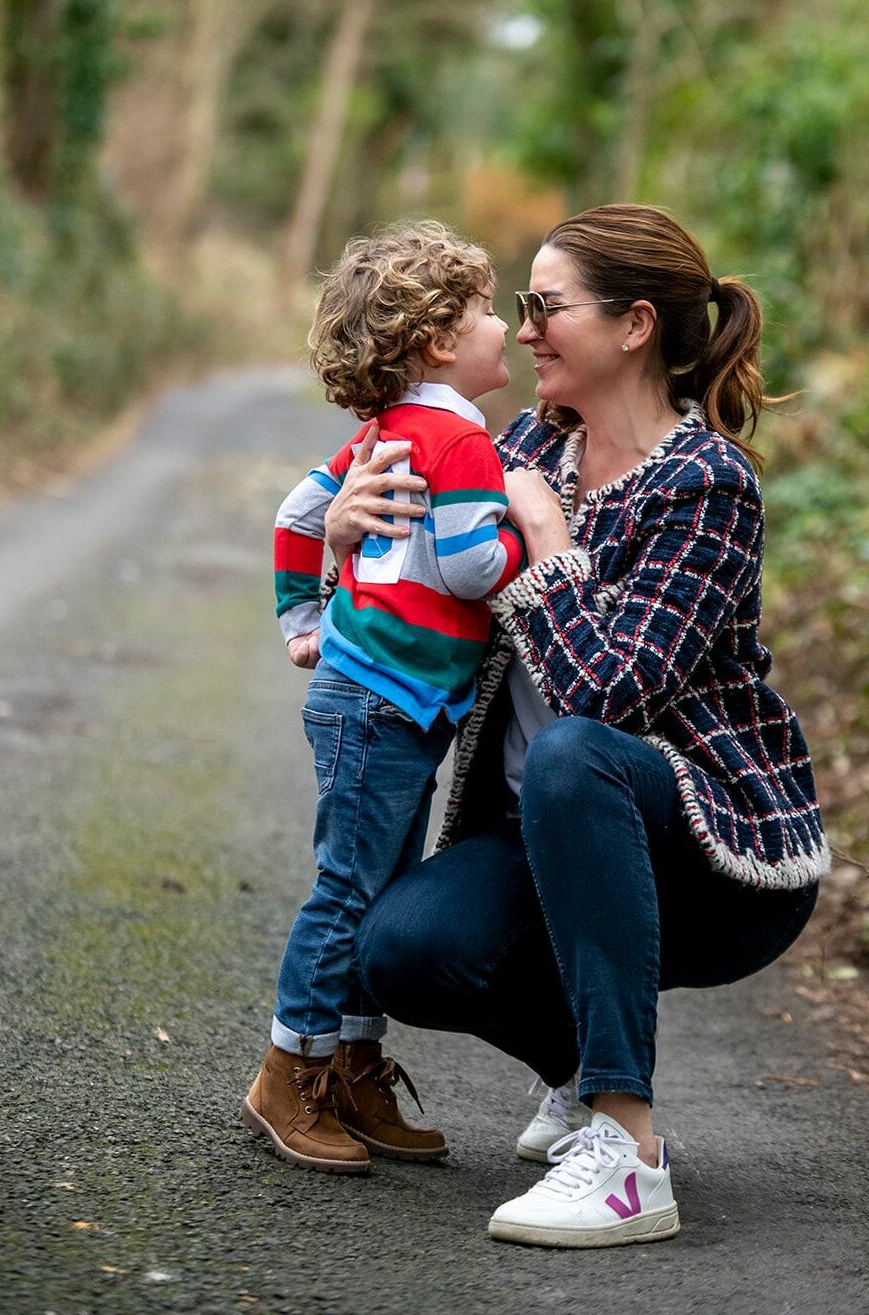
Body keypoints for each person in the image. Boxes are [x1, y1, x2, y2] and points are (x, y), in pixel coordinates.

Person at [320, 204, 828, 1244]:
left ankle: (627, 1149)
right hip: (547, 833)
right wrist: (338, 533)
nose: (525, 328)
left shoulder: (706, 484)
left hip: (711, 856)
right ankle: (577, 1074)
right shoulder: (518, 444)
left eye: (545, 307)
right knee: (402, 950)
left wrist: (546, 542)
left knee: (569, 752)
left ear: (633, 324)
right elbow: (405, 579)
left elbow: (607, 696)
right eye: (522, 308)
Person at [241, 223, 524, 1174]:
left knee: (377, 888)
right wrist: (535, 535)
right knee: (349, 889)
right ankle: (287, 1074)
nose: (505, 325)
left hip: (377, 697)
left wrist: (301, 621)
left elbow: (295, 517)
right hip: (382, 699)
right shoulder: (460, 442)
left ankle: (351, 1067)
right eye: (489, 310)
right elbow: (473, 561)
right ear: (439, 340)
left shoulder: (383, 432)